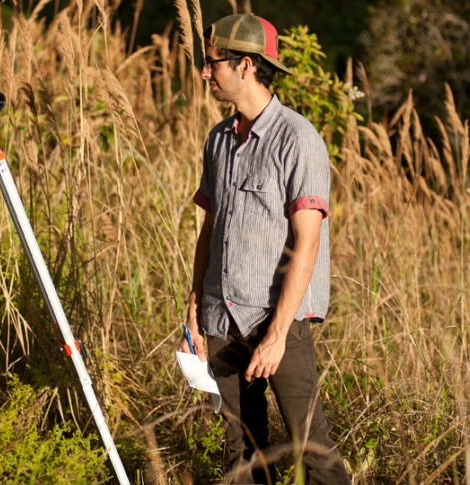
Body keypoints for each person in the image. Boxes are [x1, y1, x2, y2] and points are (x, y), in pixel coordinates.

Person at [180, 14, 351, 485]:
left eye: (212, 62)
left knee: (313, 452)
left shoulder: (298, 139)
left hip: (280, 323)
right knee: (242, 456)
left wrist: (276, 334)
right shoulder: (218, 140)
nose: (204, 72)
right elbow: (210, 229)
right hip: (221, 318)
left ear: (246, 66)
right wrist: (195, 308)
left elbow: (307, 241)